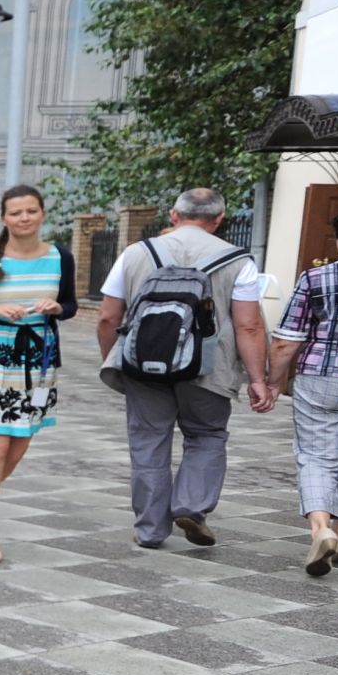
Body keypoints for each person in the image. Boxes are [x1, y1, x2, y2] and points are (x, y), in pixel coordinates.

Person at [96, 188, 274, 550]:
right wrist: (258, 378)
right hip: (209, 366)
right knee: (207, 435)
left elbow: (108, 316)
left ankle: (149, 530)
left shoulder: (134, 253)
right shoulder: (239, 260)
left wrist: (116, 361)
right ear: (219, 219)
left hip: (144, 364)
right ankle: (191, 507)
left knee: (148, 441)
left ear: (174, 215)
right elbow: (249, 325)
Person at [0, 184, 79, 563]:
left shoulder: (61, 257)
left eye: (31, 211)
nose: (24, 218)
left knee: (19, 446)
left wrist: (57, 307)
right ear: (4, 218)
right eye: (16, 212)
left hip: (39, 364)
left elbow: (70, 304)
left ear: (42, 213)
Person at [268, 206, 338, 575]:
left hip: (323, 377)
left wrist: (272, 382)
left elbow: (287, 341)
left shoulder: (315, 278)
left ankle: (321, 530)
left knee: (318, 456)